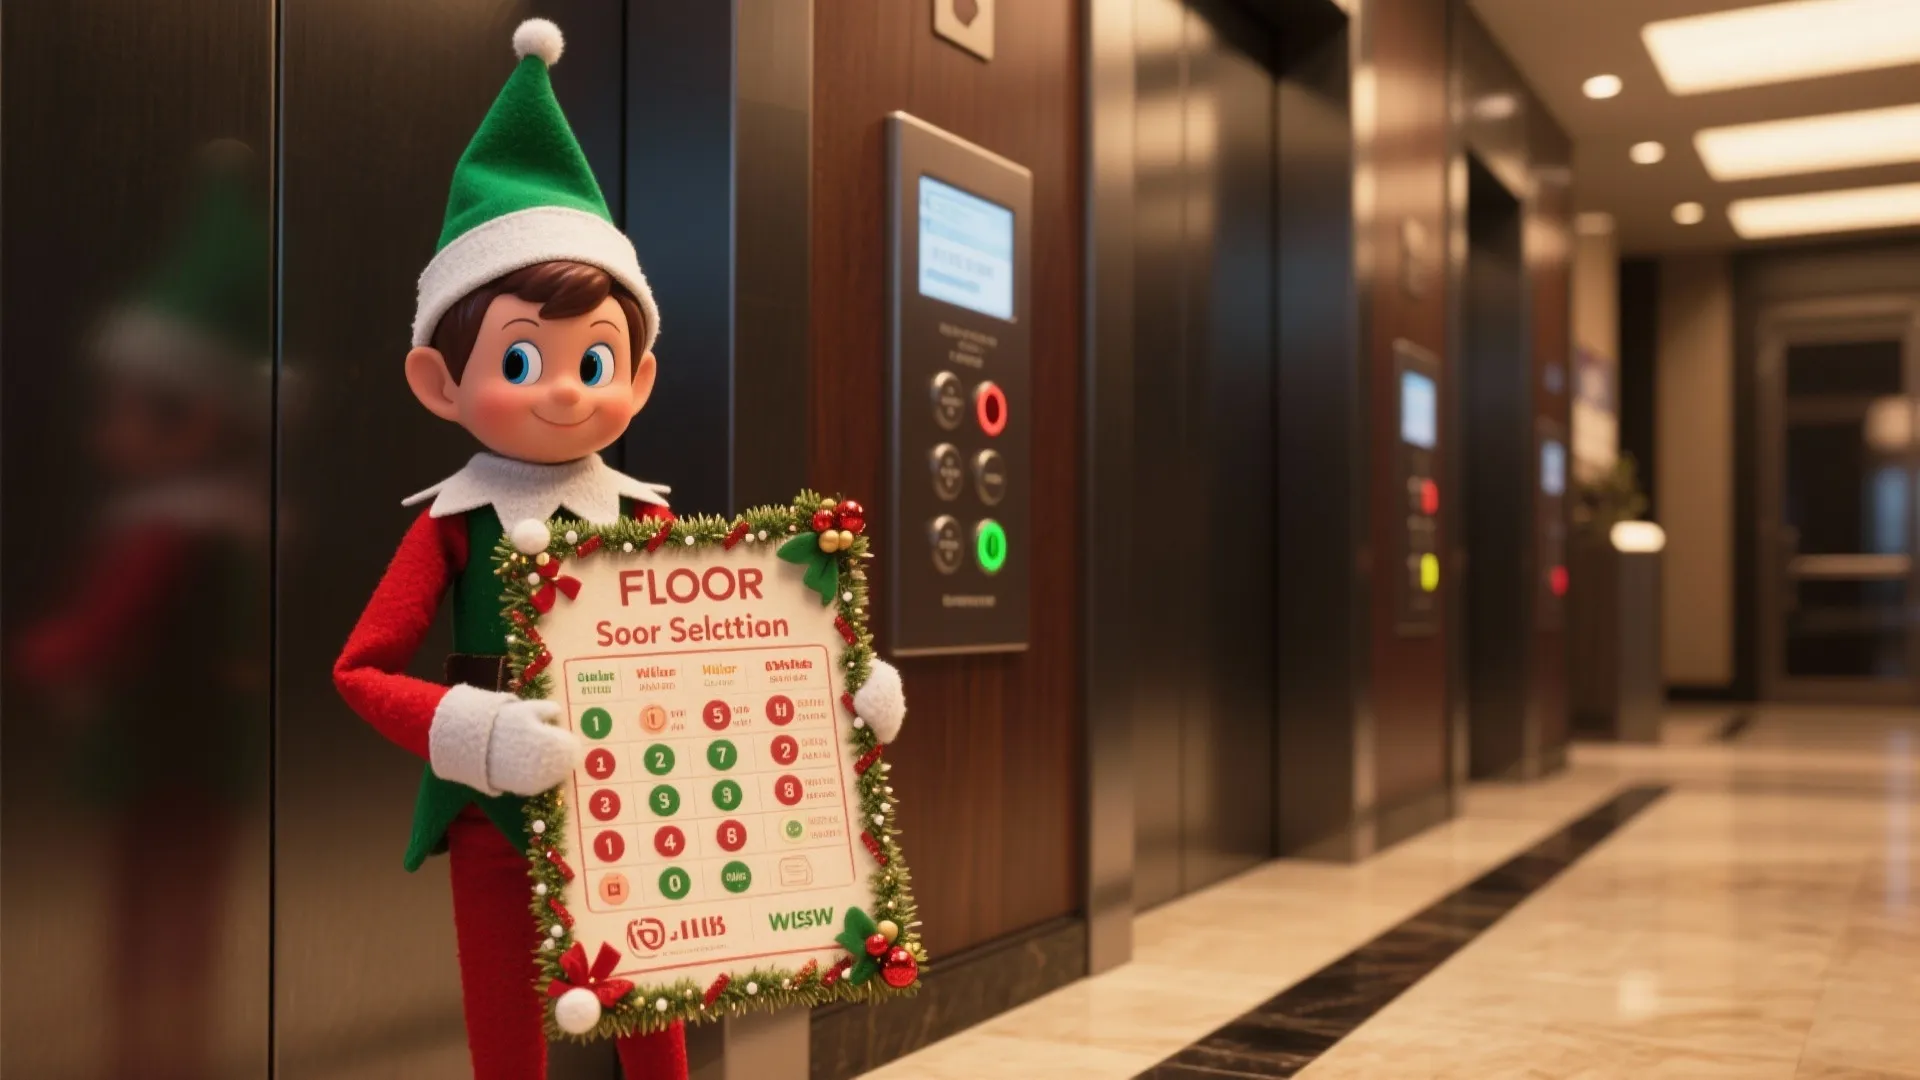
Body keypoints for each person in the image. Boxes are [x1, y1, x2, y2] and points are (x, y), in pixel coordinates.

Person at [331, 21, 906, 1079]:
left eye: (596, 358)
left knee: (658, 1017)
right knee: (505, 1029)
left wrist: (840, 691)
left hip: (646, 810)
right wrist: (481, 732)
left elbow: (734, 645)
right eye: (520, 355)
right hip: (495, 816)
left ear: (638, 379)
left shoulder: (639, 521)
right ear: (438, 383)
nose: (565, 387)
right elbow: (361, 669)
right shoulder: (452, 523)